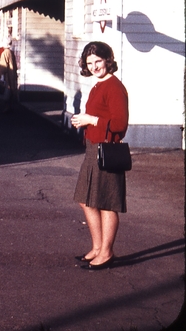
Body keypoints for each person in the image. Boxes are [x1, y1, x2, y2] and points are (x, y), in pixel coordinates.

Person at [71, 41, 129, 270]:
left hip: (107, 151)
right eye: (90, 63)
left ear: (107, 60)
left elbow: (120, 124)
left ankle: (106, 252)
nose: (94, 66)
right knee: (86, 200)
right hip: (93, 149)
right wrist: (83, 121)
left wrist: (91, 120)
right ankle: (97, 247)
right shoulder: (98, 85)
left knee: (107, 203)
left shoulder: (114, 87)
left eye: (98, 61)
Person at [0, 38, 18, 112]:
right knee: (12, 90)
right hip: (12, 74)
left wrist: (2, 76)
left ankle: (6, 107)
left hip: (7, 75)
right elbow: (14, 65)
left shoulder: (4, 53)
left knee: (7, 90)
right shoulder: (11, 52)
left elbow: (3, 66)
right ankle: (10, 106)